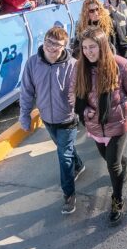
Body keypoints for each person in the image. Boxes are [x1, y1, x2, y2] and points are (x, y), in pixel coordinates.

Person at [74, 27, 127, 225]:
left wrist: (120, 108)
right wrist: (86, 111)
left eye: (93, 47)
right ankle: (124, 163)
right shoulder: (81, 67)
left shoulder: (121, 66)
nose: (88, 52)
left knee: (112, 164)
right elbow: (75, 92)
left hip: (118, 123)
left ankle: (117, 199)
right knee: (109, 158)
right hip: (94, 124)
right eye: (85, 47)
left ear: (102, 46)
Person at [19, 26, 85, 214]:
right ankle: (79, 164)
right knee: (65, 150)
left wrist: (77, 100)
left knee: (63, 156)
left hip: (68, 119)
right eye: (48, 41)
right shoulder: (32, 63)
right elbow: (27, 92)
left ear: (64, 46)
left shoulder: (73, 65)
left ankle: (69, 194)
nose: (51, 47)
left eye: (57, 45)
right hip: (47, 118)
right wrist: (24, 115)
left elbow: (80, 90)